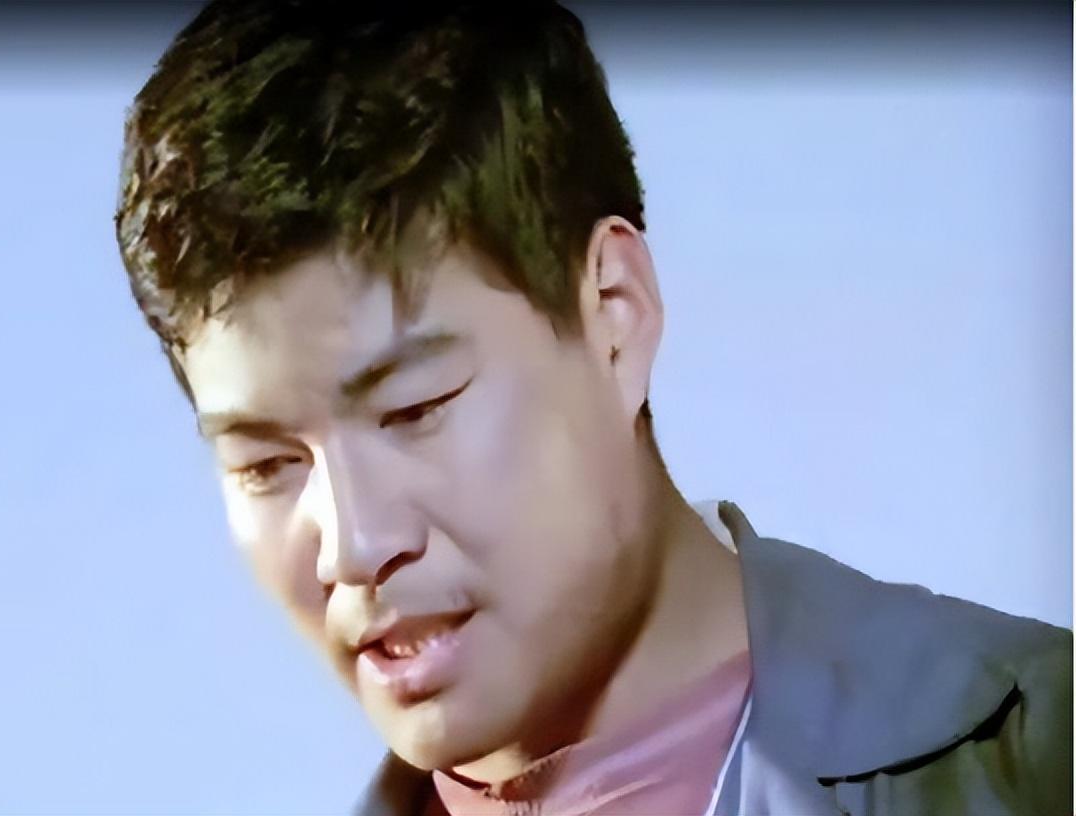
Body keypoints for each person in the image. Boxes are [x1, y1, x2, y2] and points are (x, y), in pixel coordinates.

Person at [112, 2, 1072, 813]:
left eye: (413, 409)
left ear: (614, 311)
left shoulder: (1039, 760)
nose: (354, 547)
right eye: (267, 464)